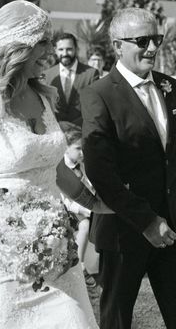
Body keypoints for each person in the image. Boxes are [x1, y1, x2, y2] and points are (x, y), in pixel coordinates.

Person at [0, 0, 102, 329]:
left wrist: (94, 203)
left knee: (75, 321)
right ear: (19, 46)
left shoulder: (42, 97)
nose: (50, 50)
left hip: (55, 250)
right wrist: (3, 236)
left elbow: (54, 168)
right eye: (43, 41)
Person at [81, 8, 176, 329]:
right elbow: (101, 174)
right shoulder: (98, 94)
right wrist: (147, 222)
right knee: (116, 320)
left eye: (157, 38)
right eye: (143, 40)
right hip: (124, 232)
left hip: (174, 230)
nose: (153, 47)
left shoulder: (170, 86)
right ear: (117, 46)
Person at [56, 121, 101, 286]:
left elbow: (88, 186)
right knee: (85, 225)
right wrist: (86, 210)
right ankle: (81, 264)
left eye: (83, 148)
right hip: (68, 207)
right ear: (66, 148)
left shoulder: (81, 166)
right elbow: (65, 199)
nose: (82, 153)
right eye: (78, 149)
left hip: (83, 205)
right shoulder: (62, 169)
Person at [44, 33, 99, 125]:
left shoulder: (91, 74)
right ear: (55, 51)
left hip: (82, 131)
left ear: (76, 50)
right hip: (55, 131)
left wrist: (73, 126)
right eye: (61, 49)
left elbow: (94, 107)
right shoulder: (47, 75)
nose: (65, 53)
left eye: (69, 49)